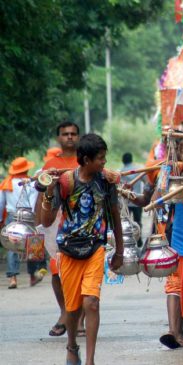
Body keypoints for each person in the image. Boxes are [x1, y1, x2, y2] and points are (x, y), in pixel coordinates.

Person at [127, 139, 183, 356]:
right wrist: (162, 186)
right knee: (178, 288)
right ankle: (176, 332)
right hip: (178, 241)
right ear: (178, 155)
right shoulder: (170, 175)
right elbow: (156, 201)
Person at [38, 133, 123, 365]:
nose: (104, 162)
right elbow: (46, 221)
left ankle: (90, 360)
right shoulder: (65, 182)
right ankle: (72, 345)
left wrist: (120, 250)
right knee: (73, 309)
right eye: (100, 158)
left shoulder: (106, 182)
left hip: (96, 248)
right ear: (86, 160)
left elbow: (114, 214)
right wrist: (48, 192)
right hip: (68, 250)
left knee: (91, 302)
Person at [37, 121, 82, 339]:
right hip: (56, 222)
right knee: (57, 270)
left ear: (79, 137)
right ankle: (65, 312)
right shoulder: (50, 164)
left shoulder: (86, 160)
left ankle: (77, 319)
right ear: (59, 138)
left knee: (81, 271)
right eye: (65, 134)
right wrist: (39, 225)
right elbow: (42, 194)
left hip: (83, 221)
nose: (70, 137)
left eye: (73, 133)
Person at [1, 157, 42, 288]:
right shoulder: (30, 183)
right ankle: (32, 276)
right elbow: (33, 201)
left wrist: (1, 220)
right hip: (28, 217)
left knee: (12, 246)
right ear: (26, 168)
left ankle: (13, 278)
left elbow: (1, 204)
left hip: (12, 217)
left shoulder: (6, 183)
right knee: (32, 245)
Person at [119, 153, 143, 225]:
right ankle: (138, 235)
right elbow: (146, 182)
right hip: (137, 200)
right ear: (131, 160)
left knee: (126, 222)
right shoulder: (138, 170)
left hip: (126, 202)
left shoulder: (120, 172)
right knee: (138, 221)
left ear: (123, 160)